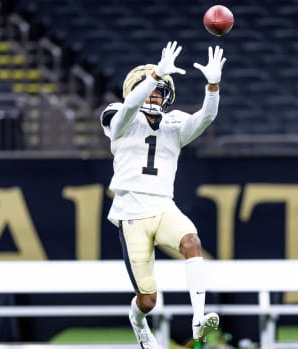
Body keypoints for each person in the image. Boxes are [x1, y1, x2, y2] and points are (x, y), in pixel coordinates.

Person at [99, 41, 226, 349]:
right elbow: (129, 108)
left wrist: (213, 86)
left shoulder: (175, 122)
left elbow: (205, 119)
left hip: (163, 206)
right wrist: (155, 76)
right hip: (131, 213)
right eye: (150, 89)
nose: (155, 94)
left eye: (159, 90)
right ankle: (138, 322)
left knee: (191, 241)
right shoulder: (118, 116)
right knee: (147, 299)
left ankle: (198, 319)